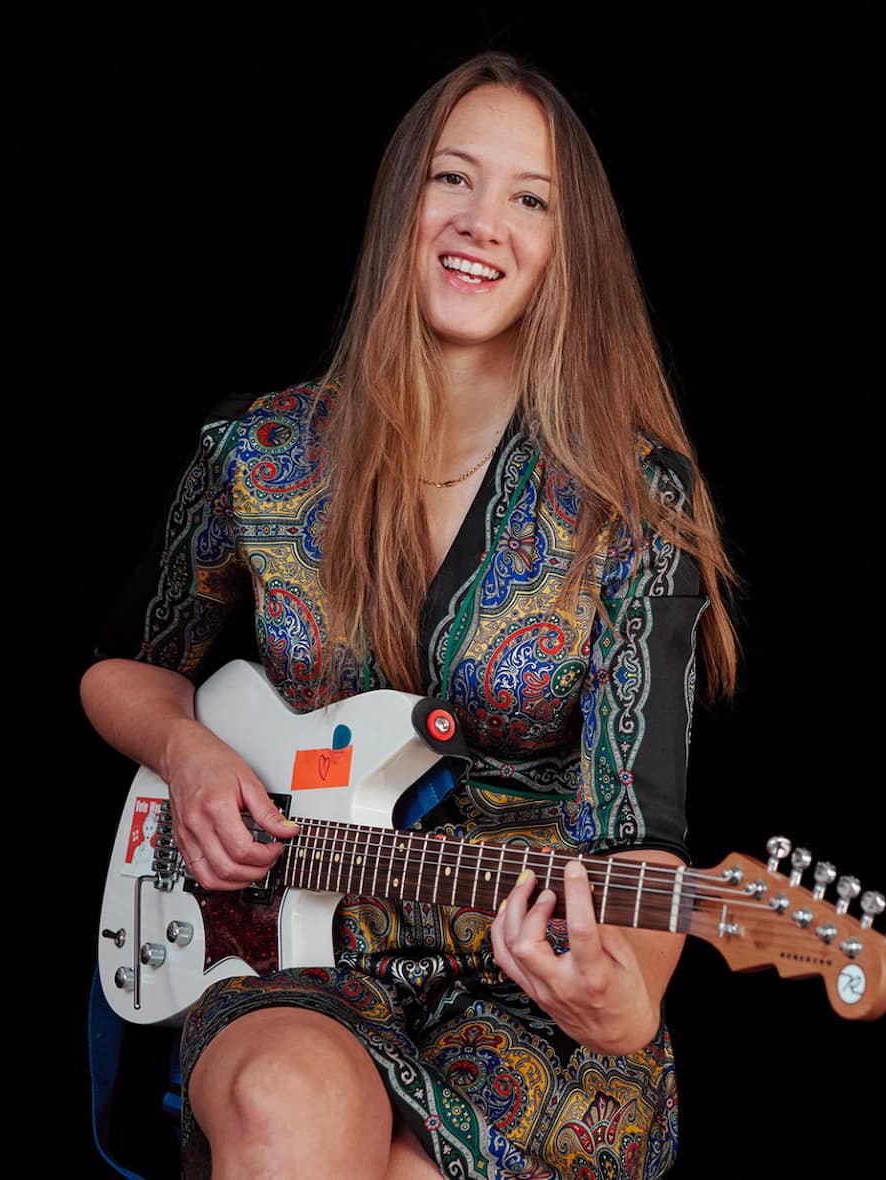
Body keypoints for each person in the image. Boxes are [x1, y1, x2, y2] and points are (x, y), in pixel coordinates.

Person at [80, 50, 739, 1180]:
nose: (483, 222)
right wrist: (188, 753)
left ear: (565, 251)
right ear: (404, 205)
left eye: (530, 198)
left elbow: (641, 829)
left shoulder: (632, 503)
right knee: (289, 1101)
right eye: (453, 179)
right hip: (293, 944)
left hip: (530, 996)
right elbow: (119, 673)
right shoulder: (260, 450)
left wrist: (621, 1004)